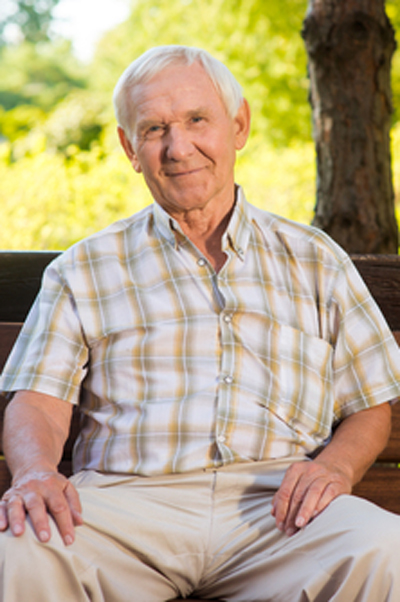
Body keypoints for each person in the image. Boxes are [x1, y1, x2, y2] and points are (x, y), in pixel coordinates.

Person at [1, 45, 400, 602]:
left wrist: (334, 468)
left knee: (384, 548)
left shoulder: (316, 259)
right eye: (154, 129)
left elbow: (370, 405)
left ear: (238, 126)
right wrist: (36, 473)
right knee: (21, 548)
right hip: (124, 508)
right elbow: (39, 400)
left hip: (278, 510)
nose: (177, 147)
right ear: (128, 148)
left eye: (196, 120)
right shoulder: (85, 267)